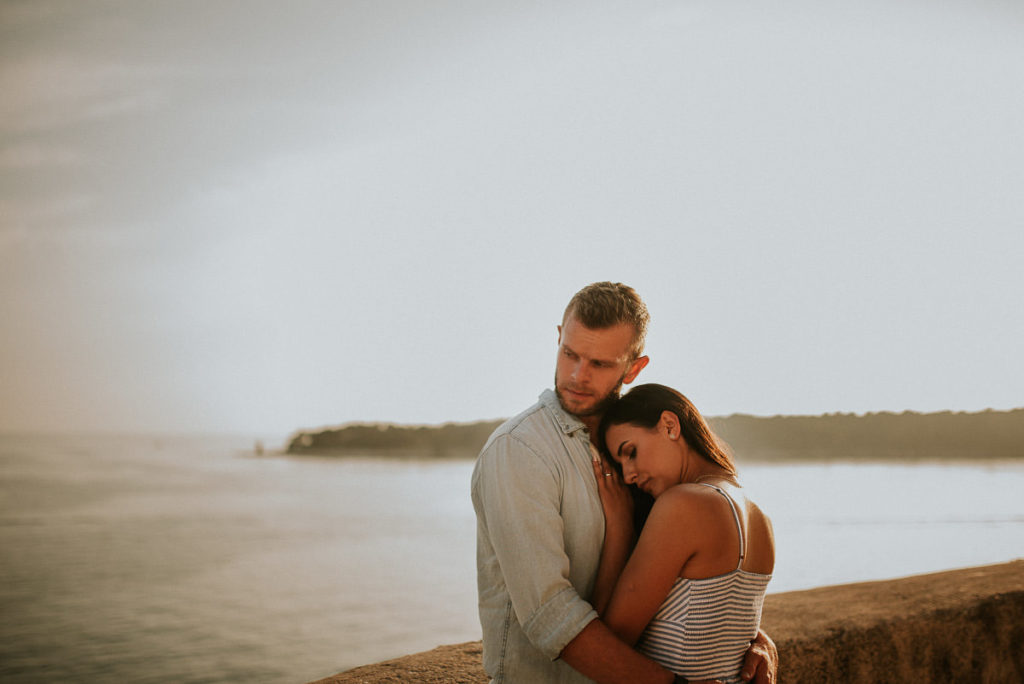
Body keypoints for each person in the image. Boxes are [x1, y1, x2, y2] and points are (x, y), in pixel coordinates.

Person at [471, 282, 777, 683]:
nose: (578, 375)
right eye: (570, 354)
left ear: (633, 368)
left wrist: (750, 637)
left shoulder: (639, 450)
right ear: (558, 338)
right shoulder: (521, 450)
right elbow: (550, 616)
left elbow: (683, 585)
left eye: (600, 364)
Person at [590, 384, 775, 684]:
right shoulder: (759, 517)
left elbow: (608, 645)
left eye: (631, 452)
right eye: (621, 465)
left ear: (669, 425)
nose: (627, 476)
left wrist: (619, 526)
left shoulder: (684, 505)